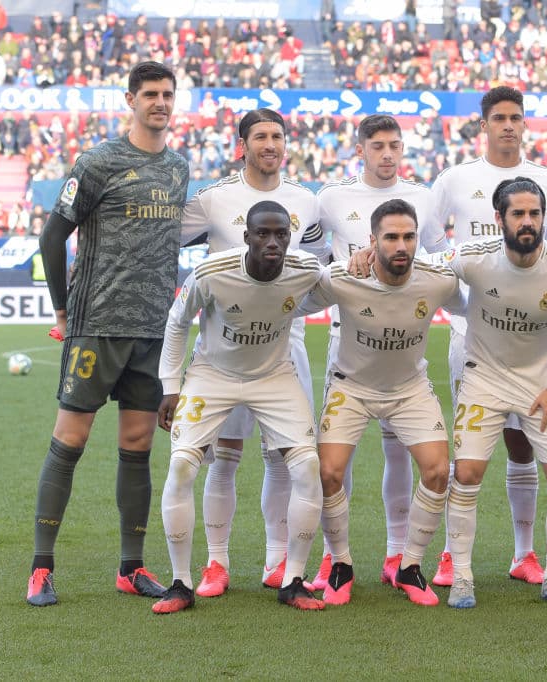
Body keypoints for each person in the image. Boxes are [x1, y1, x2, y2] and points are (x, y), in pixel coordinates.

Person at [27, 61, 189, 607]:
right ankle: (42, 567)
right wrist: (63, 312)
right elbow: (52, 238)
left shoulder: (178, 169)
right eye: (150, 94)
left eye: (167, 94)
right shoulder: (97, 163)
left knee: (138, 445)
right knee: (69, 440)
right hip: (96, 327)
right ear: (130, 100)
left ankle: (131, 567)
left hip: (151, 332)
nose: (160, 102)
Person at [428, 86, 547, 587]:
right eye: (498, 117)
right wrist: (466, 304)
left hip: (535, 343)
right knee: (471, 455)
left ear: (525, 125)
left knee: (526, 446)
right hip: (473, 338)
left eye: (516, 118)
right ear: (483, 125)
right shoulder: (456, 178)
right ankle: (450, 556)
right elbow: (435, 244)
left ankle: (526, 554)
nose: (508, 125)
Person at [179, 108, 326, 598]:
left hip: (287, 344)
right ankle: (216, 564)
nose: (271, 144)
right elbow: (166, 239)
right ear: (242, 144)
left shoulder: (306, 201)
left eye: (277, 136)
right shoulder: (215, 199)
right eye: (260, 136)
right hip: (223, 348)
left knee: (284, 458)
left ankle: (276, 559)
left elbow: (318, 266)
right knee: (224, 457)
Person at [153, 201, 325, 613]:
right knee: (181, 466)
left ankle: (293, 580)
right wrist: (170, 387)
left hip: (274, 377)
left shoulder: (304, 270)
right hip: (213, 375)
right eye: (262, 234)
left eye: (280, 234)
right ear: (246, 237)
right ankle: (180, 583)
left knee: (307, 467)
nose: (272, 242)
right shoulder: (213, 272)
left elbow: (336, 285)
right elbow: (178, 322)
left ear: (289, 236)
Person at [298, 199, 464, 606]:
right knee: (329, 473)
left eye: (409, 236)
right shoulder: (342, 277)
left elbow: (476, 307)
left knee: (439, 471)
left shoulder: (437, 281)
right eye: (391, 237)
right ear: (372, 241)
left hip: (409, 388)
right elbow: (292, 304)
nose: (401, 245)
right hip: (350, 387)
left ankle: (409, 567)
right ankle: (341, 564)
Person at [309, 114, 446, 590]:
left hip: (403, 346)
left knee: (400, 455)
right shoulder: (331, 197)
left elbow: (438, 255)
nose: (388, 154)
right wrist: (338, 267)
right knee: (333, 463)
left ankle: (397, 555)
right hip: (347, 343)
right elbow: (310, 257)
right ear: (361, 149)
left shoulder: (422, 197)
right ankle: (335, 558)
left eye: (395, 145)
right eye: (379, 146)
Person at [443, 177, 547, 609]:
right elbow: (425, 265)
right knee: (467, 473)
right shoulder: (473, 258)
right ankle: (464, 578)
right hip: (483, 380)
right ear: (499, 219)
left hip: (540, 386)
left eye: (534, 213)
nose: (527, 222)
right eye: (518, 214)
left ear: (543, 217)